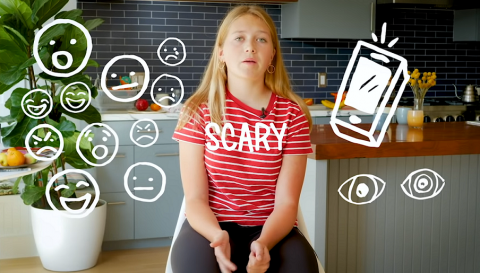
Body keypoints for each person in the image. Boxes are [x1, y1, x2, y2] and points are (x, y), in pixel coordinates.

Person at [171, 5, 318, 273]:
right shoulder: (198, 110)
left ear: (272, 54)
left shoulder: (292, 114)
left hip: (272, 228)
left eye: (261, 39)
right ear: (221, 53)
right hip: (211, 225)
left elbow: (287, 203)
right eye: (239, 38)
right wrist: (217, 236)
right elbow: (195, 198)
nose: (250, 46)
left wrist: (263, 243)